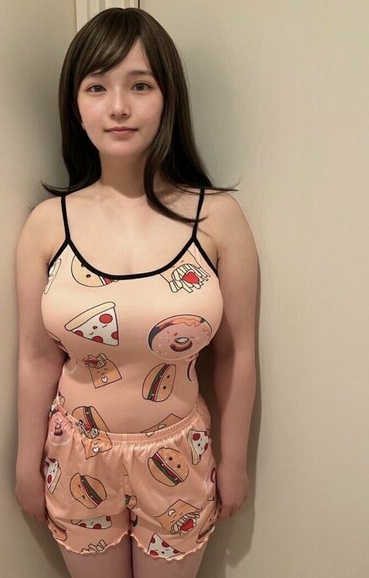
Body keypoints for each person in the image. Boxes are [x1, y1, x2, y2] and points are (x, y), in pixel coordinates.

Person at [15, 7, 258, 578]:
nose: (118, 106)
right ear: (75, 106)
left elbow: (237, 352)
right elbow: (36, 357)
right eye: (97, 87)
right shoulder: (47, 225)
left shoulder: (218, 219)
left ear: (168, 99)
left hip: (179, 456)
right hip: (76, 456)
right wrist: (26, 462)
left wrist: (235, 460)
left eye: (140, 85)